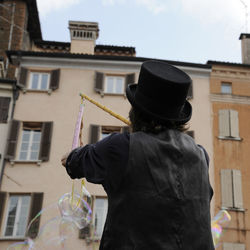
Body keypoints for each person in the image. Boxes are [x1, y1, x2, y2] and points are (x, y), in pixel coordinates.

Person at [61, 60, 214, 250]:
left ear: (136, 111)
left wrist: (72, 155)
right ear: (178, 117)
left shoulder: (121, 147)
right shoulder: (201, 156)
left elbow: (73, 163)